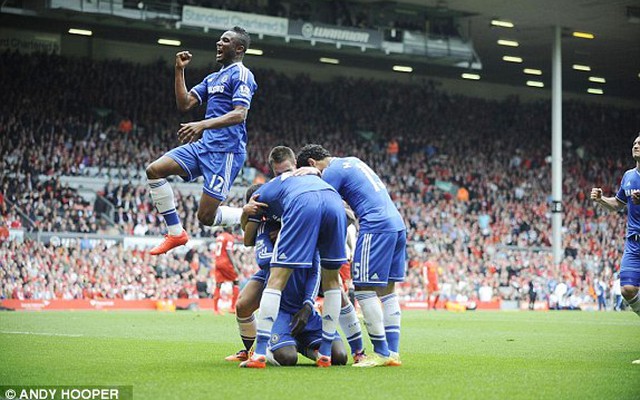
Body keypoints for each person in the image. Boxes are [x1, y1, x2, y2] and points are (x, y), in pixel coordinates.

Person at [226, 147, 364, 364]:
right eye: (278, 173)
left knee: (336, 289)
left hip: (308, 266)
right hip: (286, 276)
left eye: (288, 170)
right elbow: (249, 239)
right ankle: (256, 349)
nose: (284, 176)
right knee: (245, 303)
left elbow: (347, 214)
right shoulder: (273, 203)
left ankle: (356, 350)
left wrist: (295, 228)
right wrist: (247, 213)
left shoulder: (308, 180)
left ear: (298, 167)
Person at [145, 26, 257, 255]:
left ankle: (249, 212)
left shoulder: (242, 74)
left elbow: (240, 114)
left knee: (206, 217)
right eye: (219, 40)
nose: (218, 43)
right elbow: (184, 103)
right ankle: (176, 233)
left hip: (226, 151)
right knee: (154, 170)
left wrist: (203, 124)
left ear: (238, 48)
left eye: (225, 41)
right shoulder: (213, 78)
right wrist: (178, 71)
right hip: (204, 145)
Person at [296, 144, 405, 367]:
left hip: (375, 226)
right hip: (396, 223)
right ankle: (392, 352)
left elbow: (322, 201)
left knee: (364, 289)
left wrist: (314, 175)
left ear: (312, 163)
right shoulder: (352, 160)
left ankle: (382, 353)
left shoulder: (332, 171)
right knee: (388, 291)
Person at [590, 133, 640, 364]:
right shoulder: (629, 176)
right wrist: (601, 199)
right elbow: (618, 205)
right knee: (628, 289)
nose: (636, 145)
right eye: (634, 143)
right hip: (633, 242)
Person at [212, 227, 241, 314]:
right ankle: (232, 308)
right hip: (226, 263)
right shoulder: (229, 237)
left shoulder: (219, 237)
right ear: (228, 228)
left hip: (217, 262)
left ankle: (215, 309)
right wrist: (235, 266)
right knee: (236, 282)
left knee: (218, 285)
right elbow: (229, 252)